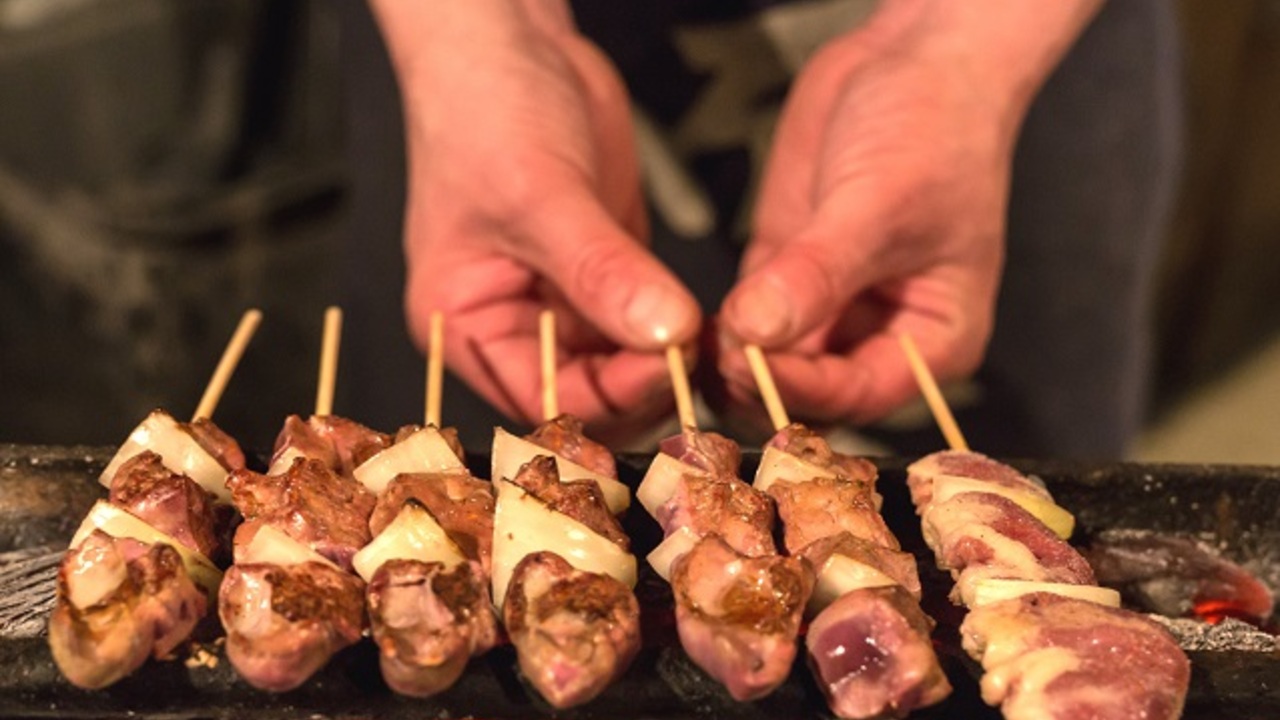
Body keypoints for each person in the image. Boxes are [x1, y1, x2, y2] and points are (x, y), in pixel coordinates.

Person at [351, 0, 1180, 458]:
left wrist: (964, 52)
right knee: (479, 460)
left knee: (1008, 478)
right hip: (483, 62)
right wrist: (470, 39)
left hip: (1009, 42)